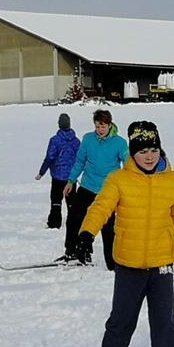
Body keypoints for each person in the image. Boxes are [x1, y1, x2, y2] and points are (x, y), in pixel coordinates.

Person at [75, 120, 174, 347]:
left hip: (161, 267)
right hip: (129, 267)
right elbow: (101, 207)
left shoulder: (171, 181)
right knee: (120, 323)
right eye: (142, 150)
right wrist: (86, 233)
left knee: (165, 325)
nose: (149, 155)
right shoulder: (119, 180)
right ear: (132, 153)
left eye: (154, 149)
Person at [62, 109, 128, 266]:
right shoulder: (88, 139)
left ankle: (112, 261)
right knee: (74, 219)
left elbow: (127, 164)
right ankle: (74, 251)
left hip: (108, 189)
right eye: (97, 126)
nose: (100, 130)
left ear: (110, 125)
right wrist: (71, 180)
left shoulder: (120, 142)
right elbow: (80, 161)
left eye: (103, 126)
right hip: (87, 185)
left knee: (107, 226)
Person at [36, 112, 80, 228]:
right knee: (71, 201)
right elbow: (80, 159)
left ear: (59, 124)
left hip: (57, 176)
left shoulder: (55, 140)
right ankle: (73, 222)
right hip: (71, 177)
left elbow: (49, 157)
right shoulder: (76, 141)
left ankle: (54, 223)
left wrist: (42, 172)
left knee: (56, 200)